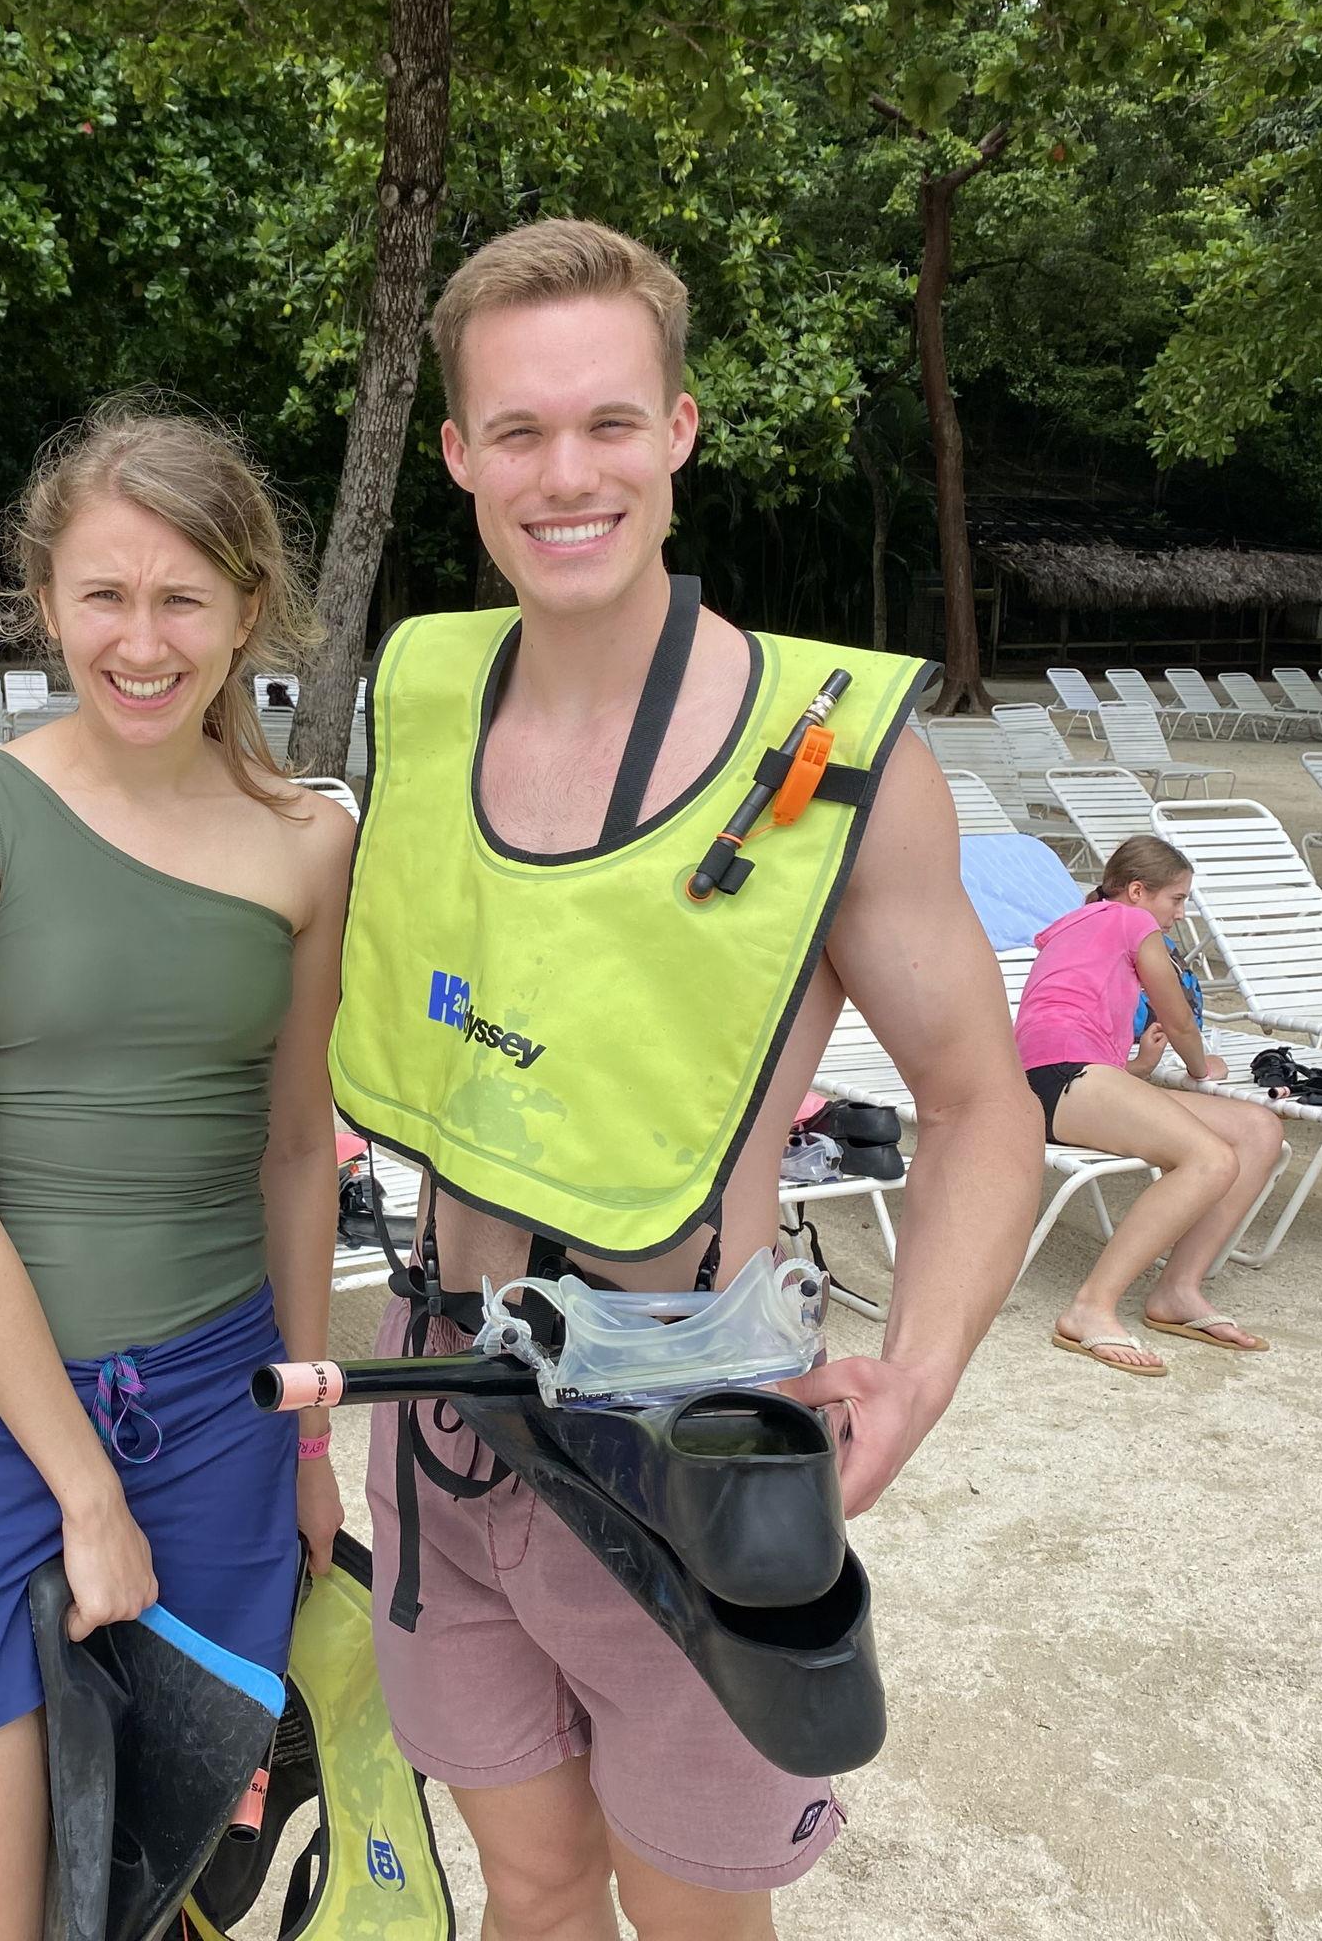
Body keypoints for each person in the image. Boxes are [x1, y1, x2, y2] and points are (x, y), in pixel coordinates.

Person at [329, 221, 1043, 1941]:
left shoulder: (839, 753)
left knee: (693, 1905)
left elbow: (979, 1100)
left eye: (604, 423)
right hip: (435, 1393)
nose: (561, 473)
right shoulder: (416, 690)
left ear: (677, 431)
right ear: (455, 455)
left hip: (686, 1422)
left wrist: (920, 1372)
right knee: (537, 1881)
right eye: (514, 430)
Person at [0, 404, 353, 1936]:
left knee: (178, 1896)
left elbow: (293, 1150)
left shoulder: (307, 842)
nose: (143, 641)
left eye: (183, 598)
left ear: (245, 612)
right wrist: (84, 1490)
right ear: (47, 600)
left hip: (221, 1410)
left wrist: (312, 1429)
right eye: (105, 596)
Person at [1018, 834, 1281, 1375]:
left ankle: (1178, 1291)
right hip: (1056, 1078)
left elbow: (1083, 1014)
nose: (1180, 915)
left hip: (1080, 1076)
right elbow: (1177, 1012)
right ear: (1137, 892)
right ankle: (1090, 1307)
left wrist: (1138, 1068)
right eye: (1176, 900)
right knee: (1211, 1159)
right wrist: (1202, 1066)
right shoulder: (1130, 921)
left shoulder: (1082, 923)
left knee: (1258, 1129)